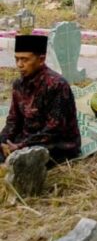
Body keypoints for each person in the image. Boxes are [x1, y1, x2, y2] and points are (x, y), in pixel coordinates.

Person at [0, 35, 80, 164]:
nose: (20, 65)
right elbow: (13, 120)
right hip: (27, 139)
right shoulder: (19, 84)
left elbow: (54, 129)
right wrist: (3, 141)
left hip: (57, 144)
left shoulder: (57, 85)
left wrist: (20, 147)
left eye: (25, 59)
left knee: (19, 162)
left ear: (41, 59)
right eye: (17, 59)